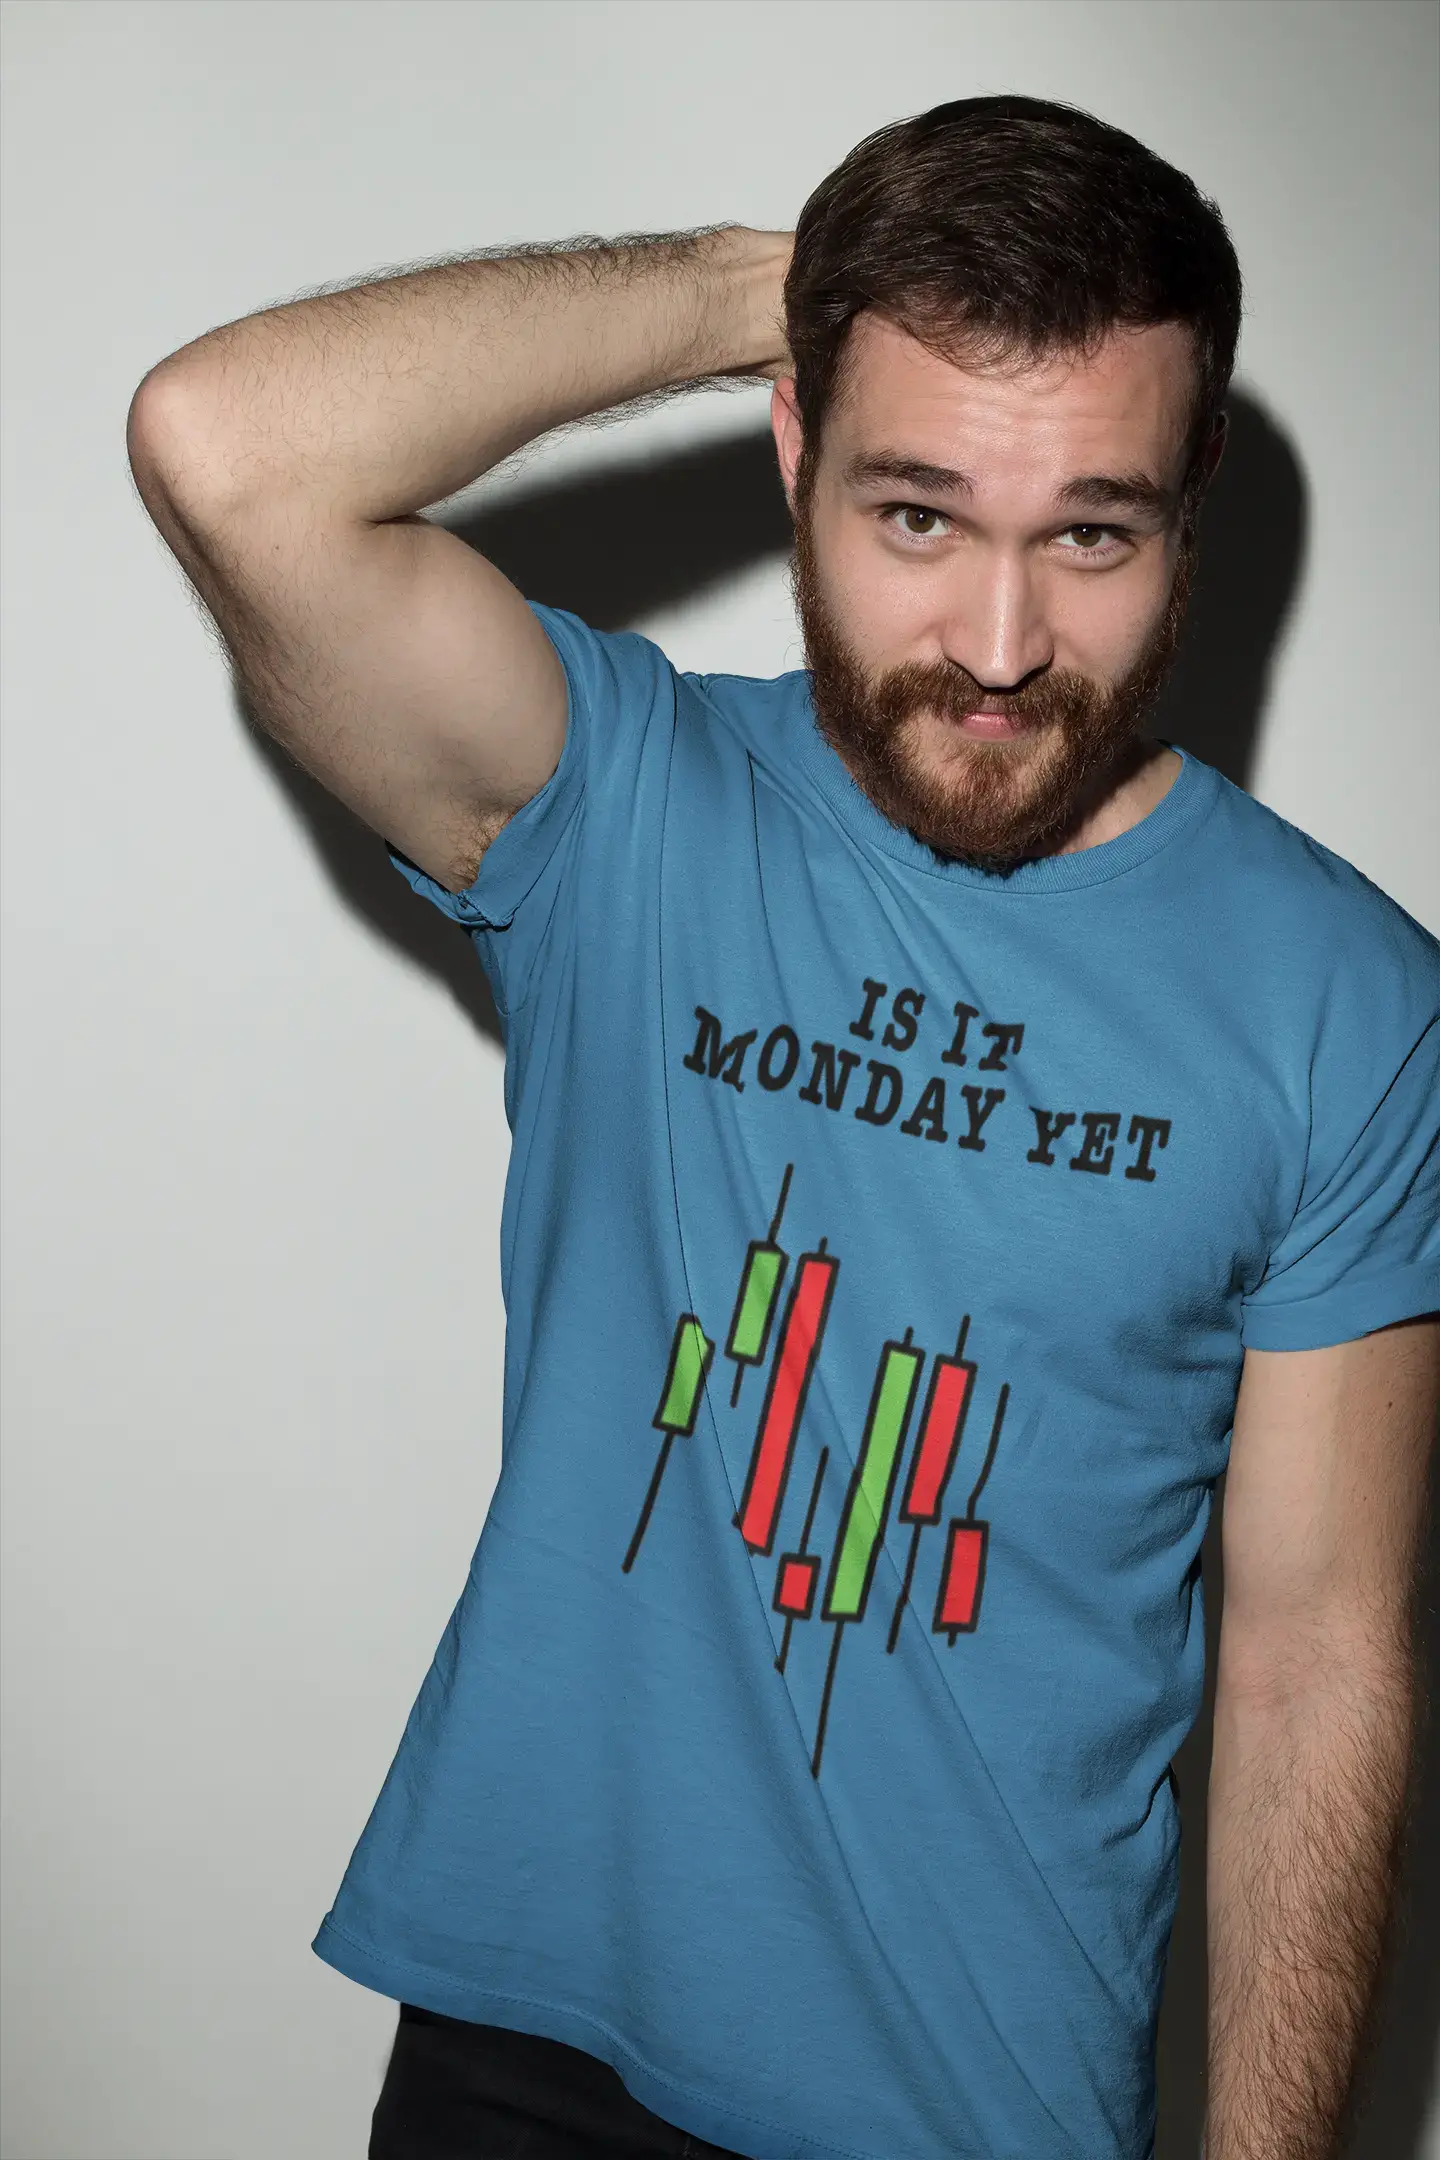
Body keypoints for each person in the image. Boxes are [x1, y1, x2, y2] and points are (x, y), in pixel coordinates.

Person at [127, 93, 1439, 2160]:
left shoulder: (1349, 1002)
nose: (999, 649)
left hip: (981, 2103)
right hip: (528, 2057)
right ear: (796, 448)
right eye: (918, 513)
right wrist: (785, 283)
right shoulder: (625, 808)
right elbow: (226, 449)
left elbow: (1315, 1663)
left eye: (1092, 533)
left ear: (1192, 506)